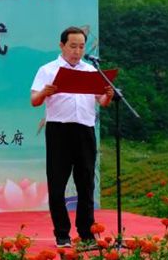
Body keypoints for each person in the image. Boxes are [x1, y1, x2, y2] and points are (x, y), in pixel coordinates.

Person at [31, 26, 114, 248]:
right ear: (62, 46)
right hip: (59, 131)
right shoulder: (48, 70)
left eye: (81, 47)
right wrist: (45, 92)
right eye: (73, 46)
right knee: (57, 184)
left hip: (85, 130)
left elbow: (101, 101)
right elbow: (34, 100)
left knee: (86, 184)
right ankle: (62, 234)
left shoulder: (91, 70)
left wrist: (108, 96)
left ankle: (86, 233)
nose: (77, 51)